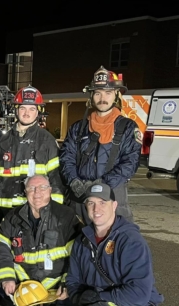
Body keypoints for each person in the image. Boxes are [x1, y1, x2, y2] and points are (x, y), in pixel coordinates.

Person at [58, 184, 164, 306]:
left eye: (102, 202)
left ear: (114, 205)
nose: (96, 209)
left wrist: (98, 297)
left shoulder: (130, 241)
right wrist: (79, 296)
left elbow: (139, 294)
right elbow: (73, 280)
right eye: (91, 203)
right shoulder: (82, 241)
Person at [0, 174, 80, 306]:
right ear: (25, 192)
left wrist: (68, 283)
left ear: (50, 191)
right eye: (32, 188)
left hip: (56, 287)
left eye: (42, 188)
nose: (37, 193)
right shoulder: (13, 217)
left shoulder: (66, 216)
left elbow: (78, 255)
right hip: (25, 285)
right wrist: (7, 278)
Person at [59, 66, 141, 224]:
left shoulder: (127, 127)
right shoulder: (78, 127)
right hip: (79, 198)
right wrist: (73, 181)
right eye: (97, 93)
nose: (102, 98)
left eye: (108, 93)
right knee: (75, 243)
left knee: (115, 244)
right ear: (91, 96)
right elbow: (66, 157)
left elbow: (131, 162)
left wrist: (102, 184)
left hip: (112, 197)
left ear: (116, 95)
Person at [0, 85, 64, 222]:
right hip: (2, 211)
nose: (26, 113)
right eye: (22, 108)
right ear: (16, 110)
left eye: (32, 109)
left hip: (33, 211)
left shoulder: (47, 141)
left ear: (38, 112)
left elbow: (56, 178)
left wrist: (54, 209)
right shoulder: (3, 140)